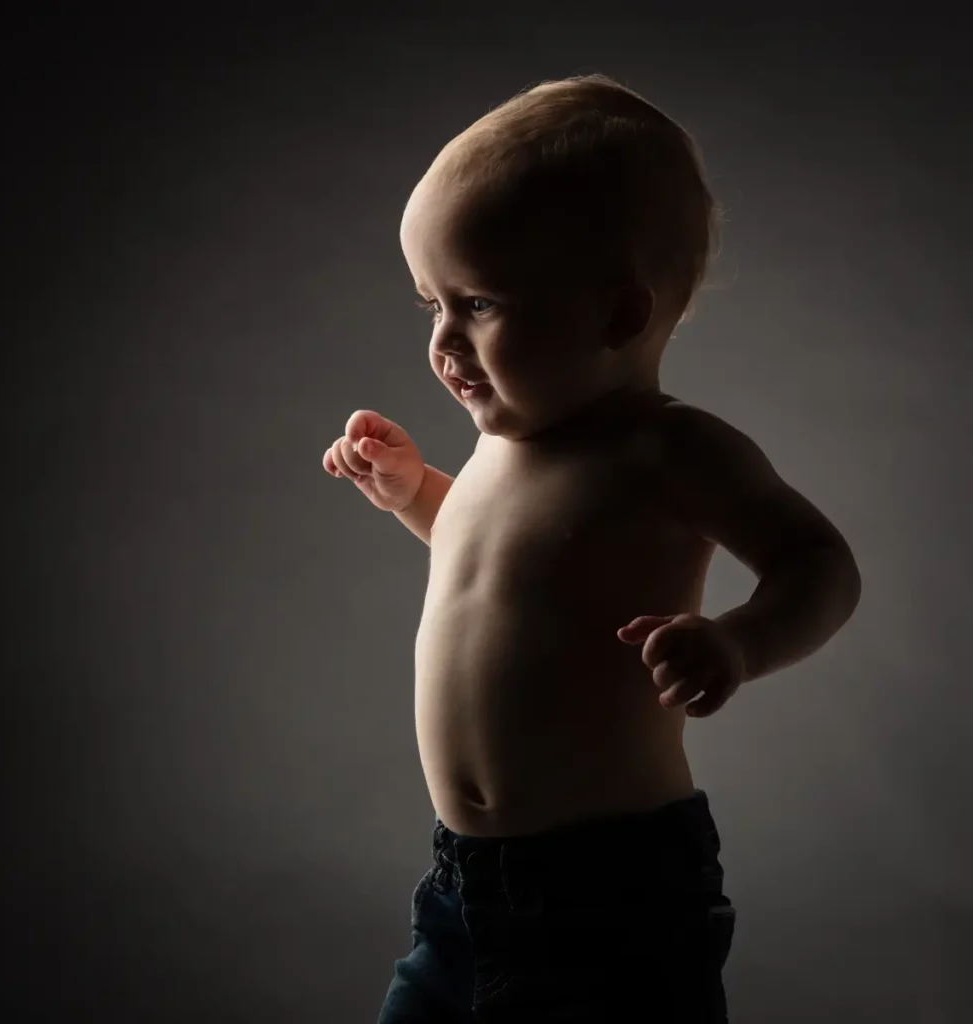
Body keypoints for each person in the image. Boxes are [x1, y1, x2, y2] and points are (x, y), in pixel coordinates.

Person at [322, 73, 861, 1022]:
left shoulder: (670, 447)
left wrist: (738, 641)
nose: (446, 342)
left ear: (617, 316)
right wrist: (416, 494)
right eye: (430, 306)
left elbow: (820, 566)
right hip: (462, 887)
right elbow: (496, 563)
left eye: (478, 304)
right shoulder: (501, 444)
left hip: (610, 896)